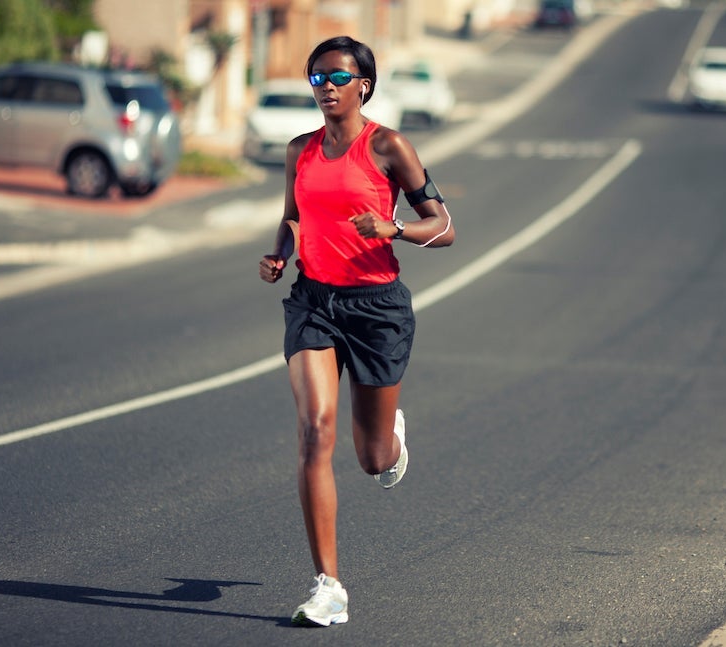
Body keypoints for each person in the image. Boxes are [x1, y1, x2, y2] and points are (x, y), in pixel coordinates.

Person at [259, 35, 455, 627]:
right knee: (314, 432)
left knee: (370, 460)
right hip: (314, 302)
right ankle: (329, 586)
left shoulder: (389, 146)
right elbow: (293, 213)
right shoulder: (301, 150)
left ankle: (390, 438)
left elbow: (443, 225)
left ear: (363, 84)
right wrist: (277, 254)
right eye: (316, 78)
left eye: (337, 78)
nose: (325, 88)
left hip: (376, 309)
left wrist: (392, 228)